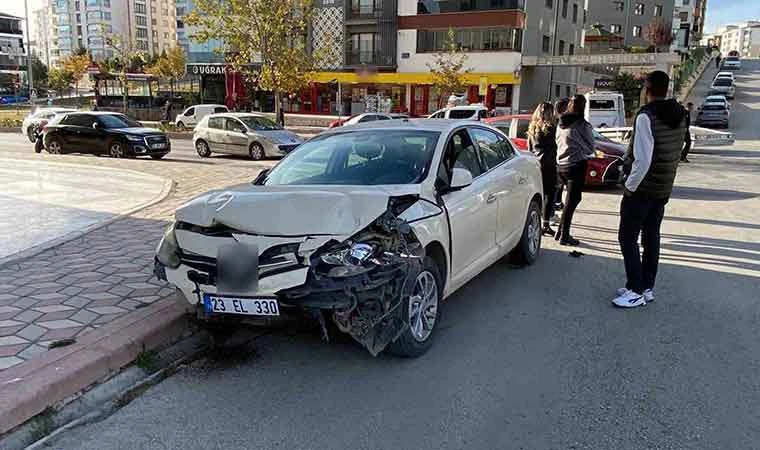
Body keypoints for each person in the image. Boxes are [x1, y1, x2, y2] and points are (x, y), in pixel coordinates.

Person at [612, 70, 688, 308]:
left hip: (643, 189)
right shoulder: (681, 115)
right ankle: (646, 286)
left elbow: (643, 160)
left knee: (627, 237)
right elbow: (677, 150)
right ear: (666, 89)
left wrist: (629, 186)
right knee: (651, 237)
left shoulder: (646, 117)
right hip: (663, 188)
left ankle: (635, 290)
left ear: (647, 89)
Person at [554, 95, 595, 246]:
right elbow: (591, 147)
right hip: (576, 165)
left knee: (570, 200)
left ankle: (560, 231)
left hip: (561, 165)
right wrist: (579, 147)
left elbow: (557, 141)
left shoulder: (560, 122)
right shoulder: (582, 125)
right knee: (572, 201)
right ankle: (564, 235)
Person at [528, 102, 559, 236]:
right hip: (549, 162)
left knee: (538, 193)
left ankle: (537, 222)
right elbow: (556, 146)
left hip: (536, 163)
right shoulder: (552, 128)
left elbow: (530, 147)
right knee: (549, 194)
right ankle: (545, 223)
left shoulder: (532, 128)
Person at [552, 98, 570, 218]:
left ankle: (556, 204)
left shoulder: (559, 123)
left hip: (557, 159)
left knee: (558, 186)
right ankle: (552, 211)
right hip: (556, 159)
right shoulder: (559, 124)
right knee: (555, 187)